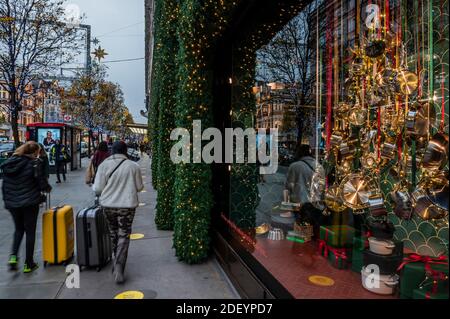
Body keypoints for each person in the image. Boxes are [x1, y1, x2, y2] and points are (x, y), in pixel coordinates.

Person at [93, 141, 143, 284]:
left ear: (112, 150)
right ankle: (119, 266)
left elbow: (97, 189)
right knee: (124, 234)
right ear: (125, 150)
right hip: (126, 207)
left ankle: (117, 260)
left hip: (108, 205)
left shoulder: (103, 165)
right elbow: (139, 187)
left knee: (113, 233)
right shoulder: (133, 166)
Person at [1, 142, 52, 273]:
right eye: (38, 152)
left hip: (12, 203)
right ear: (34, 152)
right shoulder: (34, 164)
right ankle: (28, 263)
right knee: (30, 232)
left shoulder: (9, 163)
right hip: (30, 202)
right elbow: (41, 183)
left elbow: (5, 185)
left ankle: (13, 257)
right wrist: (46, 190)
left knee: (18, 229)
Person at [284, 144, 327, 237]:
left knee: (302, 235)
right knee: (314, 233)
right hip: (317, 205)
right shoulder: (319, 166)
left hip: (301, 206)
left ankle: (302, 249)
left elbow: (288, 187)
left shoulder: (295, 166)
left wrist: (286, 205)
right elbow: (322, 187)